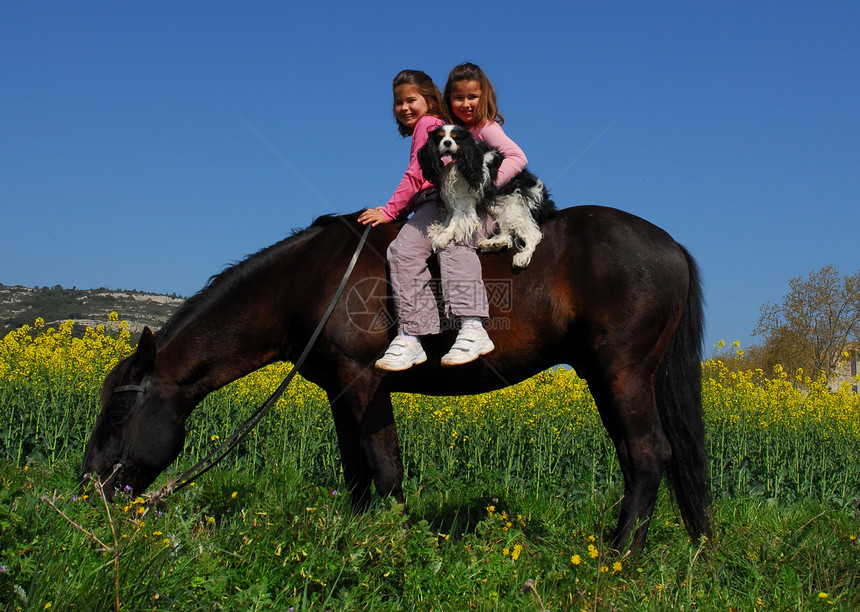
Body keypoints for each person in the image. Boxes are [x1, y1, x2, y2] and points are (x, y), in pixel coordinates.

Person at [365, 63, 528, 371]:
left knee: (440, 244)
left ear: (430, 99)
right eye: (398, 102)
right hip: (447, 199)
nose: (403, 107)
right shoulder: (449, 128)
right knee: (420, 247)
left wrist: (389, 211)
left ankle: (455, 329)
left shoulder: (431, 124)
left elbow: (416, 174)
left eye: (410, 100)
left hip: (452, 201)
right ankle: (424, 333)